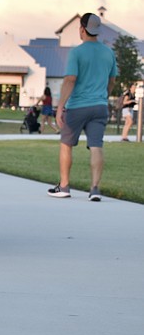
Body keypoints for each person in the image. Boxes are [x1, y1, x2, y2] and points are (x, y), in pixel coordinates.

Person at [48, 12, 117, 201]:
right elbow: (112, 81)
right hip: (100, 106)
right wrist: (104, 95)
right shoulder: (108, 52)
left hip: (78, 106)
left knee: (66, 144)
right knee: (96, 146)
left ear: (82, 29)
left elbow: (70, 79)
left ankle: (64, 186)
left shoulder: (77, 52)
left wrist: (60, 106)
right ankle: (95, 189)